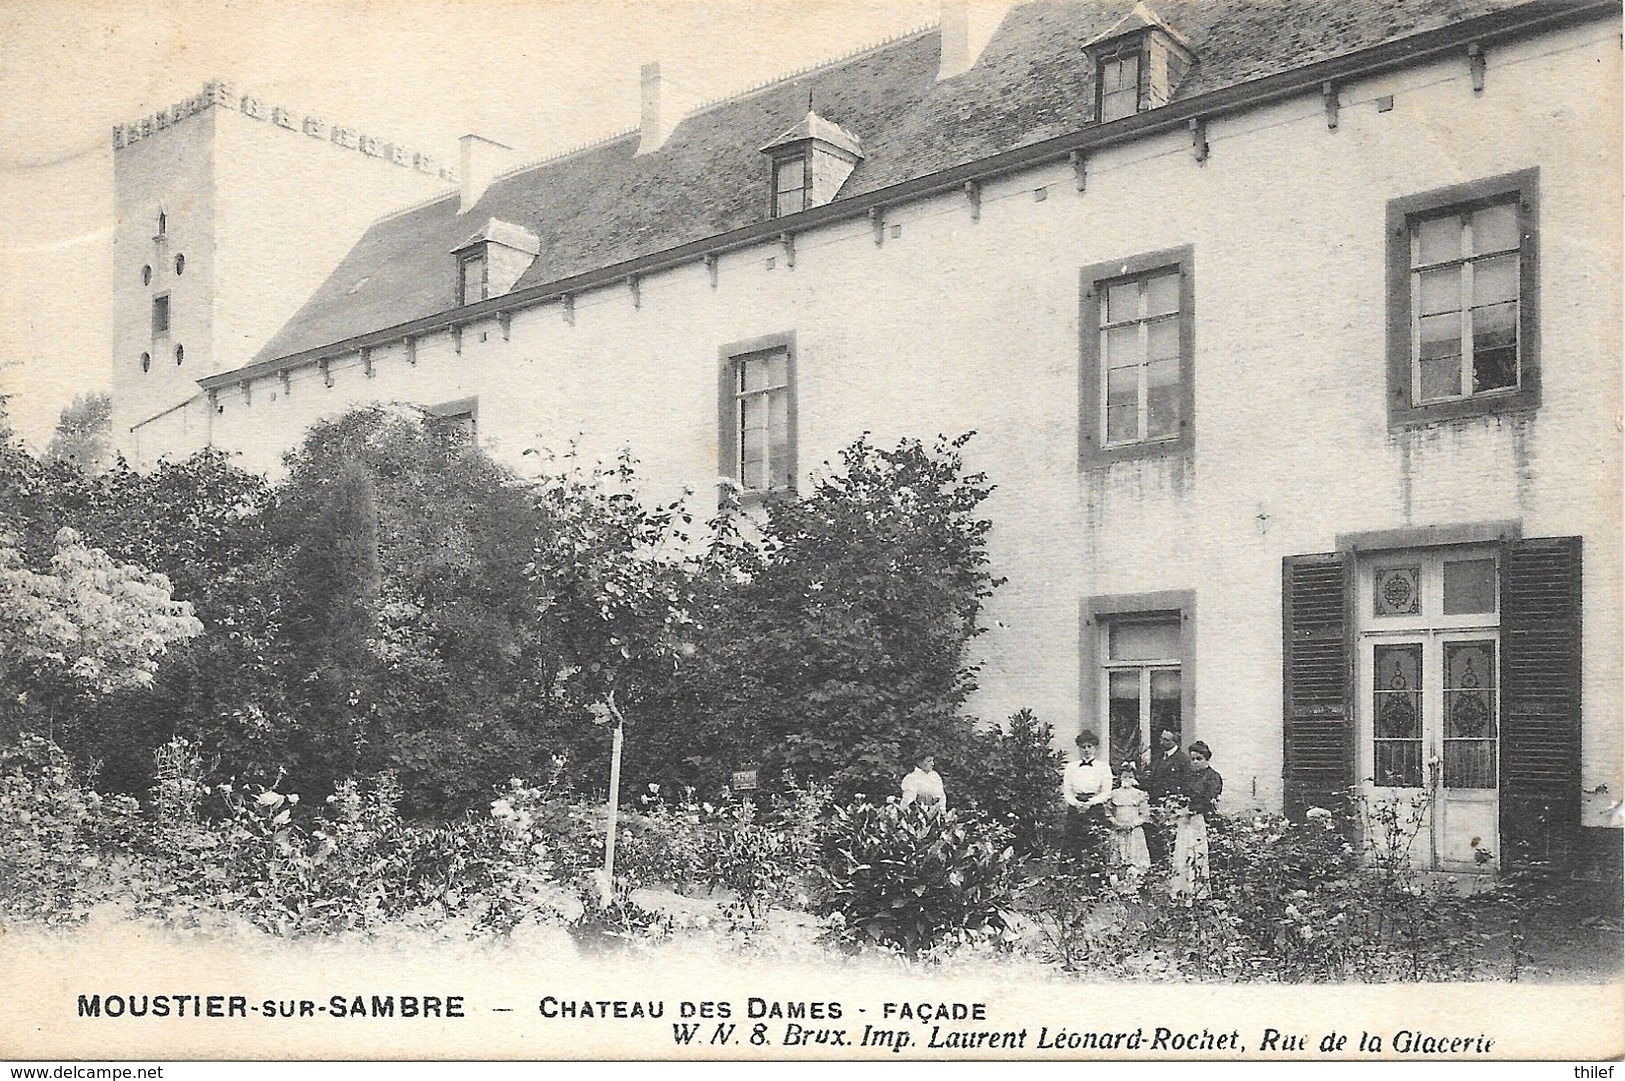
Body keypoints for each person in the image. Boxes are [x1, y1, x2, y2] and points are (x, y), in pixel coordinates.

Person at [1170, 740, 1223, 902]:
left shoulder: (1213, 777)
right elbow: (1180, 795)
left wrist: (1191, 810)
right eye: (1192, 759)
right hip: (1185, 820)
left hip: (1201, 820)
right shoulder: (1188, 776)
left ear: (1206, 758)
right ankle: (1182, 889)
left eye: (1198, 759)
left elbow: (1209, 798)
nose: (1195, 762)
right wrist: (1179, 808)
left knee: (1197, 852)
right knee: (1183, 852)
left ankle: (1199, 891)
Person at [1062, 729, 1113, 863]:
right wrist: (1076, 803)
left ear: (1095, 748)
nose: (1086, 750)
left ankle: (1097, 874)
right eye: (1083, 747)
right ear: (1079, 748)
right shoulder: (1071, 767)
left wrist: (1090, 803)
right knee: (1073, 841)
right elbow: (1067, 790)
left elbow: (1106, 792)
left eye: (1089, 746)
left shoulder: (1103, 767)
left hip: (1094, 806)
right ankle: (1072, 873)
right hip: (1076, 807)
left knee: (1095, 840)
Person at [1142, 727, 1190, 863]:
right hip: (1156, 803)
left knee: (1170, 836)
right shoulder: (1158, 758)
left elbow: (1185, 784)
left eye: (1166, 740)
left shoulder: (1183, 760)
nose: (1162, 742)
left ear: (1176, 742)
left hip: (1171, 805)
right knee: (1156, 836)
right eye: (1161, 739)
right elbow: (1151, 779)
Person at [1103, 762, 1151, 880]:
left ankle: (1134, 885)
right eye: (1124, 776)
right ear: (1120, 778)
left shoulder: (1139, 794)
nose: (1127, 779)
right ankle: (1117, 884)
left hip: (1134, 831)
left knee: (1134, 859)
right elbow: (1108, 813)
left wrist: (1133, 824)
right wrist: (1116, 822)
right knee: (1117, 857)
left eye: (1130, 777)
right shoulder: (1114, 794)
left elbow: (1145, 815)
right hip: (1118, 830)